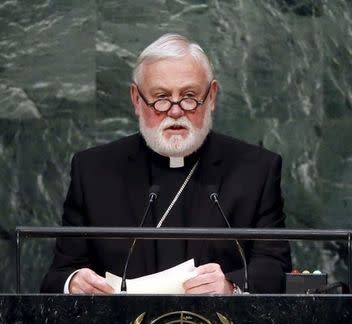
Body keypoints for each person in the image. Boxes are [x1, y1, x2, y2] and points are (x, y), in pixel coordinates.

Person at [41, 34, 291, 295]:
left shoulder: (255, 170)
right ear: (137, 100)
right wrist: (74, 283)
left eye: (189, 96)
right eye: (161, 97)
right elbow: (58, 274)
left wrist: (231, 286)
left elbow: (275, 267)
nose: (175, 111)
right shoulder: (93, 171)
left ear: (212, 96)